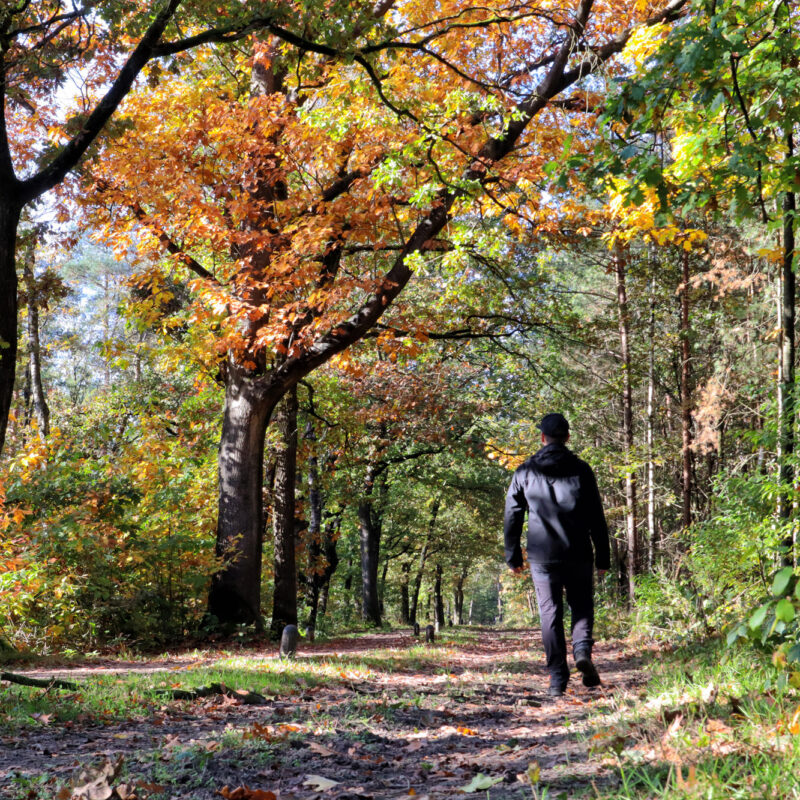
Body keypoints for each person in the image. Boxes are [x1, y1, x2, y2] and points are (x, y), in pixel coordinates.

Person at [503, 413, 610, 697]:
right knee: (582, 606)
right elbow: (596, 516)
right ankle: (583, 651)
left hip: (542, 554)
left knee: (550, 613)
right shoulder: (582, 470)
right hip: (578, 551)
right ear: (568, 438)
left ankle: (557, 680)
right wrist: (603, 557)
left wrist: (513, 555)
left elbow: (512, 514)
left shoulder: (524, 471)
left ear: (542, 438)